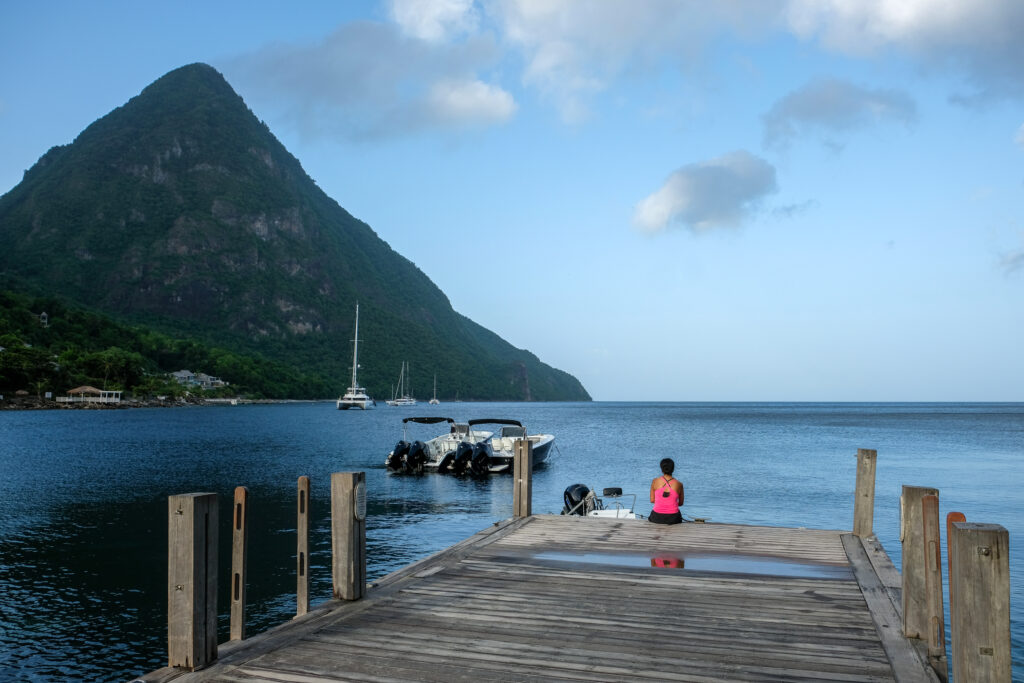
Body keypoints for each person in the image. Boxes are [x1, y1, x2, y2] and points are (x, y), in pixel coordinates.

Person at [649, 457, 684, 524]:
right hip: (673, 518)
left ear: (661, 469)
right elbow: (681, 503)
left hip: (656, 517)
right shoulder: (679, 484)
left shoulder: (655, 481)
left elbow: (652, 500)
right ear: (673, 469)